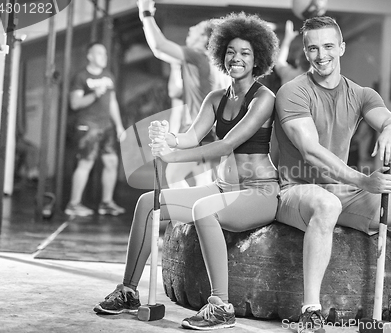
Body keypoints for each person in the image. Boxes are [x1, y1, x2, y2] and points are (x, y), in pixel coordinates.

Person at [93, 12, 280, 331]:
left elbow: (225, 145)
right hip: (223, 189)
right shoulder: (216, 98)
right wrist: (168, 137)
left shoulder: (264, 98)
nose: (236, 58)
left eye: (245, 53)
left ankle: (221, 307)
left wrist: (174, 157)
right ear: (221, 54)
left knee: (203, 209)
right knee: (147, 204)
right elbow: (190, 136)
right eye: (231, 51)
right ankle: (128, 291)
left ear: (258, 58)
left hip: (259, 192)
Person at [274, 16, 391, 333]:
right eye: (313, 48)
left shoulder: (361, 94)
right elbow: (310, 150)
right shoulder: (292, 92)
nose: (321, 55)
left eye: (328, 46)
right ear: (306, 52)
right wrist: (363, 181)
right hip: (298, 190)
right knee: (326, 204)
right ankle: (310, 312)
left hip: (342, 191)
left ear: (342, 47)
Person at [137, 0, 225, 188]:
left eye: (192, 32)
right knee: (202, 181)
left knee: (174, 175)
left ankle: (186, 217)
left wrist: (145, 13)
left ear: (204, 38)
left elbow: (159, 47)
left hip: (198, 130)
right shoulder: (215, 64)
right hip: (209, 130)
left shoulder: (198, 56)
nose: (188, 35)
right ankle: (201, 215)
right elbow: (176, 91)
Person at [64, 42, 126, 217]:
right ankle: (73, 204)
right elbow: (74, 104)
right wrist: (94, 94)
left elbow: (112, 102)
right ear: (90, 56)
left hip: (106, 126)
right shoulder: (81, 77)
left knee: (111, 162)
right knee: (86, 163)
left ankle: (106, 203)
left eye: (105, 53)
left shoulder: (108, 76)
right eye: (99, 53)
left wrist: (119, 125)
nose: (103, 57)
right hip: (88, 126)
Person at [275, 20, 310, 85]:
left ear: (297, 61)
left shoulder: (289, 75)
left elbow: (279, 62)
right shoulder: (319, 81)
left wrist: (287, 39)